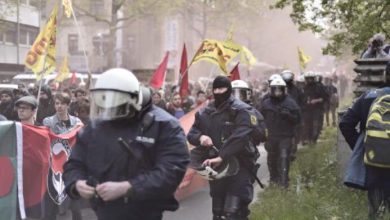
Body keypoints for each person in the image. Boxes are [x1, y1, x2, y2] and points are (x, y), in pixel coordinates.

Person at [63, 68, 189, 220]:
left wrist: (129, 187)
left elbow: (172, 170)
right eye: (105, 103)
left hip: (145, 213)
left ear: (133, 99)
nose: (109, 112)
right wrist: (77, 183)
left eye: (116, 105)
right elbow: (74, 164)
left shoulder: (164, 125)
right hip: (104, 212)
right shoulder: (97, 127)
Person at [187, 75, 266, 220]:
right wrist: (201, 138)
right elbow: (192, 133)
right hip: (217, 169)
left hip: (241, 165)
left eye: (221, 88)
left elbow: (240, 136)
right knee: (218, 213)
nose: (218, 92)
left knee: (233, 212)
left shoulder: (242, 110)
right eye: (215, 89)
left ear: (228, 90)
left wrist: (222, 155)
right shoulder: (206, 112)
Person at [339, 62, 390, 220]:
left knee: (376, 211)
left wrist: (364, 147)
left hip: (375, 163)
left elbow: (346, 123)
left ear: (385, 75)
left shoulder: (369, 96)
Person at [43, 92, 83, 220]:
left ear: (68, 105)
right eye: (57, 103)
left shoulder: (77, 122)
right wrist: (71, 132)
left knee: (75, 204)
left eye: (62, 103)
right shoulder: (48, 121)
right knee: (52, 203)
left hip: (71, 166)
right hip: (54, 167)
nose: (59, 106)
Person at [260, 78, 300, 187]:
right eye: (275, 89)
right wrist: (262, 133)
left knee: (284, 156)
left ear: (284, 90)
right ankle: (273, 179)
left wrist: (289, 116)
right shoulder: (266, 103)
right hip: (271, 136)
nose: (277, 92)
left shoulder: (291, 102)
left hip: (285, 135)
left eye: (280, 89)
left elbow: (298, 120)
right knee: (272, 158)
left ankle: (284, 181)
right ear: (271, 90)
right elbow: (259, 119)